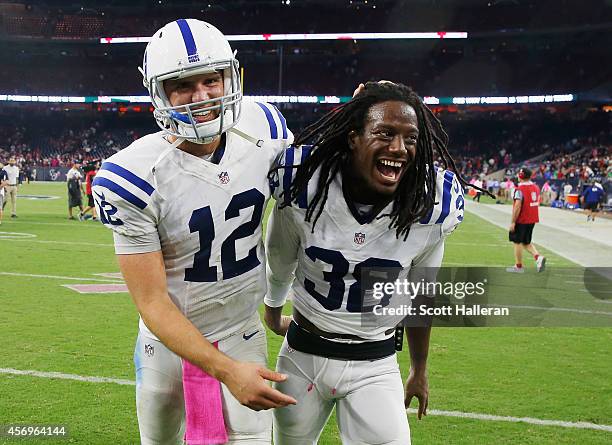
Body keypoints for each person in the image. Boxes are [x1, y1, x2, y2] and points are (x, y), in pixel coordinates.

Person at [92, 19, 297, 445]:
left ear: (231, 77)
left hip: (241, 330)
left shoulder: (267, 130)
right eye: (182, 85)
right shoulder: (133, 175)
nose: (201, 97)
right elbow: (152, 302)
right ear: (158, 92)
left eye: (211, 79)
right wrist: (225, 371)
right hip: (169, 343)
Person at [264, 82, 465, 444]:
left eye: (411, 138)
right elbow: (280, 258)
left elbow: (421, 297)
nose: (399, 148)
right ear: (353, 137)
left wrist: (419, 369)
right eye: (385, 133)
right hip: (303, 353)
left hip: (374, 361)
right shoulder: (306, 185)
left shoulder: (428, 206)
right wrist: (273, 309)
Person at [507, 167, 546, 273]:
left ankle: (518, 266)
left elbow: (518, 206)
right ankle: (538, 257)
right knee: (526, 242)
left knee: (517, 242)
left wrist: (513, 222)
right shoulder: (536, 187)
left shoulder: (519, 190)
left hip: (522, 219)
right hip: (532, 218)